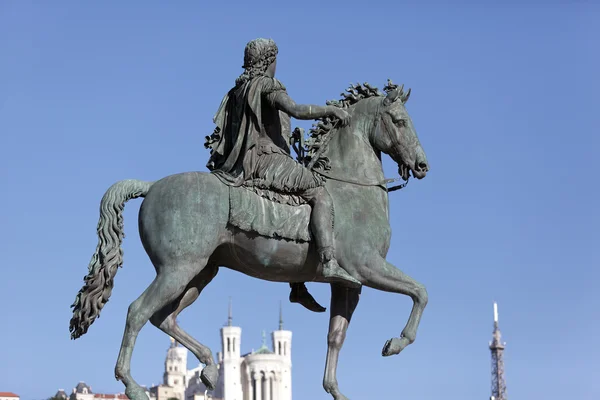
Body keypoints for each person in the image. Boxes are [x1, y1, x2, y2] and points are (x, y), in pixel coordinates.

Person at [207, 38, 361, 312]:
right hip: (266, 160)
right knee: (319, 191)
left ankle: (297, 283)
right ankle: (328, 261)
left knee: (295, 204)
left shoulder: (236, 90)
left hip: (244, 161)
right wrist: (333, 110)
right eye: (275, 60)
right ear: (269, 61)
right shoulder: (266, 85)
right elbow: (297, 110)